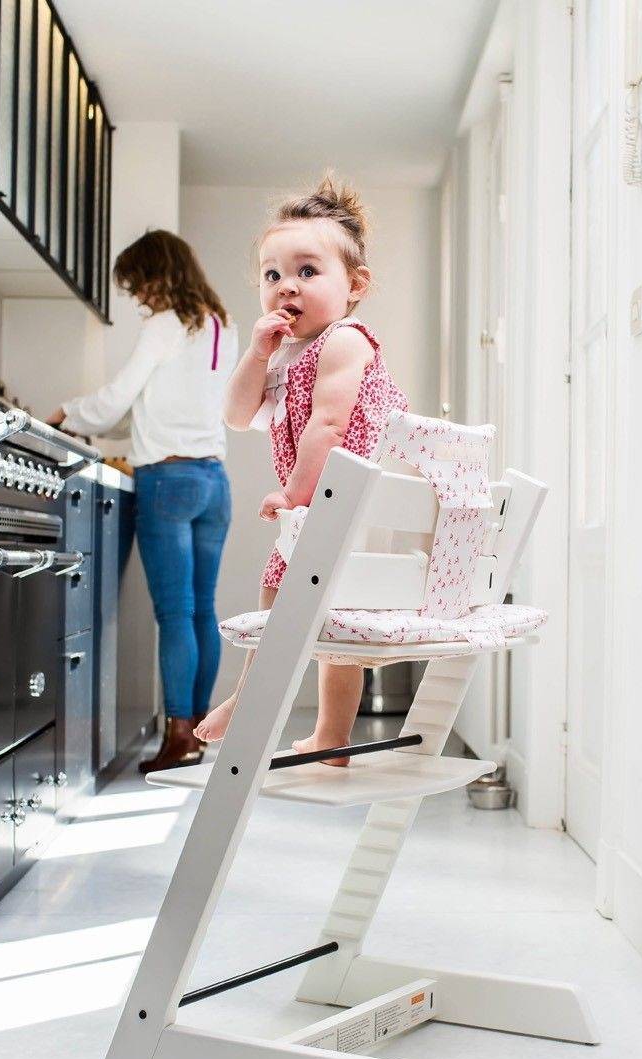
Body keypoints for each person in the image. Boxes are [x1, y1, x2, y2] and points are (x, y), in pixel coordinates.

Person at [193, 174, 409, 765]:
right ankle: (328, 736)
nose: (286, 285)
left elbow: (329, 427)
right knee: (306, 611)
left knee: (318, 618)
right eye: (272, 274)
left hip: (344, 507)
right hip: (322, 511)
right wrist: (257, 353)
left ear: (355, 285)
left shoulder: (345, 341)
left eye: (307, 271)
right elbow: (236, 415)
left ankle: (261, 702)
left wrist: (293, 495)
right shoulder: (287, 355)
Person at [50, 230, 238, 773]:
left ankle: (178, 738)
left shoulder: (164, 325)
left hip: (168, 482)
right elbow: (155, 408)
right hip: (213, 482)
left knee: (175, 612)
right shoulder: (220, 326)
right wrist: (97, 425)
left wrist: (65, 413)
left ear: (158, 275)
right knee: (202, 608)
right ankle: (197, 732)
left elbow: (116, 400)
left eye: (138, 286)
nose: (140, 299)